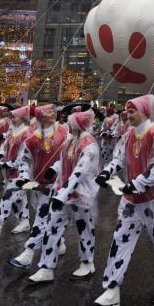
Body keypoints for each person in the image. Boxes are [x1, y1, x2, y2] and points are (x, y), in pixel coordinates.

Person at [91, 94, 154, 306]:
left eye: (132, 111)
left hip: (153, 201)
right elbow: (119, 158)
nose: (127, 115)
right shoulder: (129, 134)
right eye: (127, 111)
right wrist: (106, 173)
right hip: (130, 201)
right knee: (120, 240)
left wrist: (136, 183)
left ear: (144, 112)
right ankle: (112, 288)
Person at [28, 110, 101, 283]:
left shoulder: (89, 143)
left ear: (79, 124)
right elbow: (63, 159)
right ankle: (46, 267)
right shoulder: (71, 139)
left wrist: (62, 194)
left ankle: (87, 263)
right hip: (63, 193)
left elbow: (80, 172)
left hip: (81, 195)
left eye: (72, 122)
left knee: (85, 229)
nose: (69, 125)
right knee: (52, 228)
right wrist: (54, 169)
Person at [8, 104, 70, 269]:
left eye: (53, 112)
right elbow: (24, 160)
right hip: (39, 184)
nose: (53, 114)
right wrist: (23, 177)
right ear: (41, 116)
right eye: (49, 112)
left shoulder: (64, 132)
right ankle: (60, 244)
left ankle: (28, 253)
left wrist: (56, 170)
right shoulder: (32, 139)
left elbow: (69, 155)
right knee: (52, 217)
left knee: (42, 217)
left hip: (59, 184)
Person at [0, 106, 33, 239]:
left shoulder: (27, 133)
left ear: (22, 118)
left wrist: (10, 164)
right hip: (10, 171)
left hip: (22, 173)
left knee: (8, 196)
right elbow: (4, 148)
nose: (11, 118)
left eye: (14, 116)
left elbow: (25, 156)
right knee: (19, 198)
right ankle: (25, 221)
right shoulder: (12, 131)